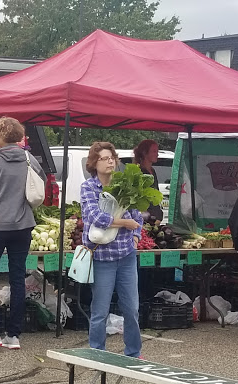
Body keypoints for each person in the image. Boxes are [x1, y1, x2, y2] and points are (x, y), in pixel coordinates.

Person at [0, 116, 46, 350]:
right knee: (17, 278)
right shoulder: (29, 158)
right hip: (23, 225)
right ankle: (13, 336)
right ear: (20, 136)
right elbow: (40, 182)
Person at [81, 141, 143, 358]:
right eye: (104, 158)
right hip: (102, 258)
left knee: (132, 309)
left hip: (126, 256)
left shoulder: (124, 185)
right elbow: (96, 217)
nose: (109, 162)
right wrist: (125, 224)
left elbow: (137, 217)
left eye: (111, 158)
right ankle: (97, 353)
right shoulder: (88, 187)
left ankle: (134, 353)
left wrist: (135, 236)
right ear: (93, 163)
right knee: (100, 311)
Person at [134, 139, 163, 224]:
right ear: (144, 152)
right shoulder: (138, 172)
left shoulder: (152, 171)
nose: (157, 154)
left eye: (157, 151)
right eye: (154, 151)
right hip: (146, 218)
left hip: (156, 217)